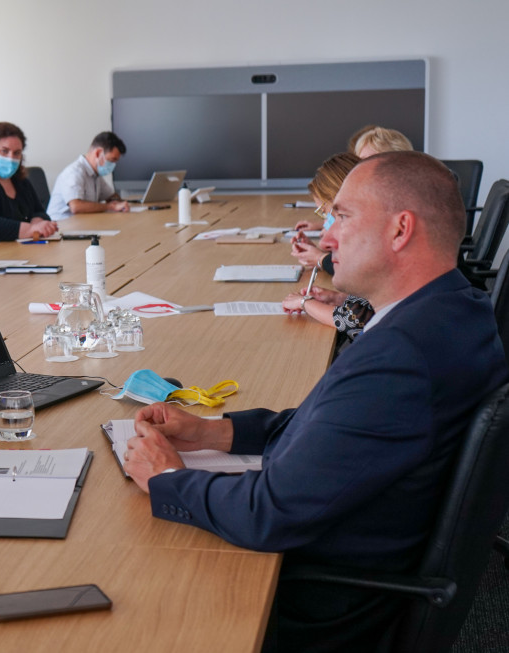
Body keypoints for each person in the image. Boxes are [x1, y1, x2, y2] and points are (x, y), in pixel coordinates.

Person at [124, 151, 508, 651]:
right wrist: (212, 431)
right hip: (356, 548)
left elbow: (270, 512)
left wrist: (167, 478)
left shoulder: (402, 358)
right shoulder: (450, 310)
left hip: (318, 604)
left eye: (342, 217)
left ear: (400, 230)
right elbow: (331, 428)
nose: (327, 238)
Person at [283, 153, 374, 346]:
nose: (324, 228)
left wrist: (304, 303)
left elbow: (357, 321)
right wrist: (338, 297)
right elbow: (372, 303)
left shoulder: (371, 244)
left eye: (325, 212)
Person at [46, 131, 129, 220]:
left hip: (82, 225)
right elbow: (76, 207)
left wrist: (117, 202)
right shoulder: (74, 172)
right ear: (98, 153)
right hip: (61, 226)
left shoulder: (96, 174)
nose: (113, 165)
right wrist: (109, 206)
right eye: (112, 160)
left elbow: (110, 196)